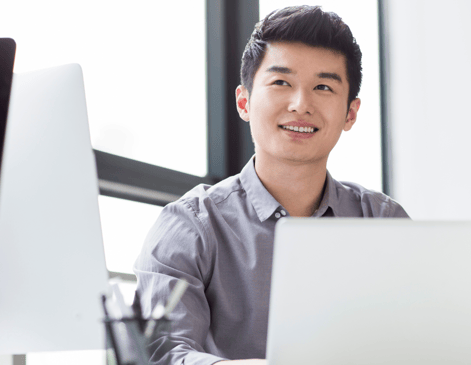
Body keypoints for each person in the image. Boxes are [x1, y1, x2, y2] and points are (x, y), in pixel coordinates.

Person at [134, 5, 409, 365]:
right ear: (244, 101)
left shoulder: (383, 221)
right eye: (281, 82)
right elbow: (160, 352)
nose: (301, 104)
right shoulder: (190, 226)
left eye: (323, 87)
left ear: (350, 114)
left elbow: (423, 339)